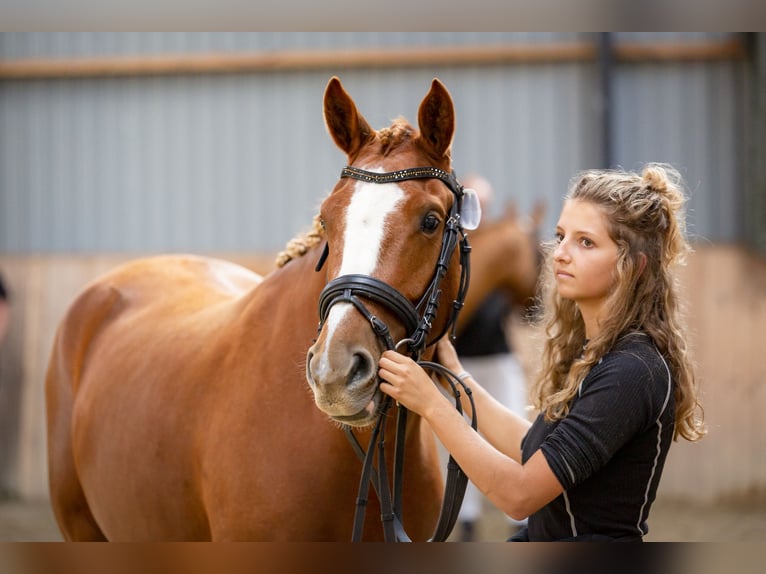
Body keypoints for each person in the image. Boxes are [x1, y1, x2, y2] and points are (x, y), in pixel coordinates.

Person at [378, 163, 706, 541]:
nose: (560, 253)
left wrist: (430, 404)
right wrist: (454, 378)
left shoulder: (634, 370)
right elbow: (532, 448)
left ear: (633, 265)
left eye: (586, 242)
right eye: (561, 235)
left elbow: (519, 495)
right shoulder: (597, 352)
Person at [450, 174, 538, 541]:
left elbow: (530, 308)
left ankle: (521, 520)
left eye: (485, 203)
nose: (481, 210)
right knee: (460, 443)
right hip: (462, 363)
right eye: (475, 202)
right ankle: (467, 521)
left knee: (514, 434)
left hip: (499, 360)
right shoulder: (451, 249)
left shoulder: (501, 246)